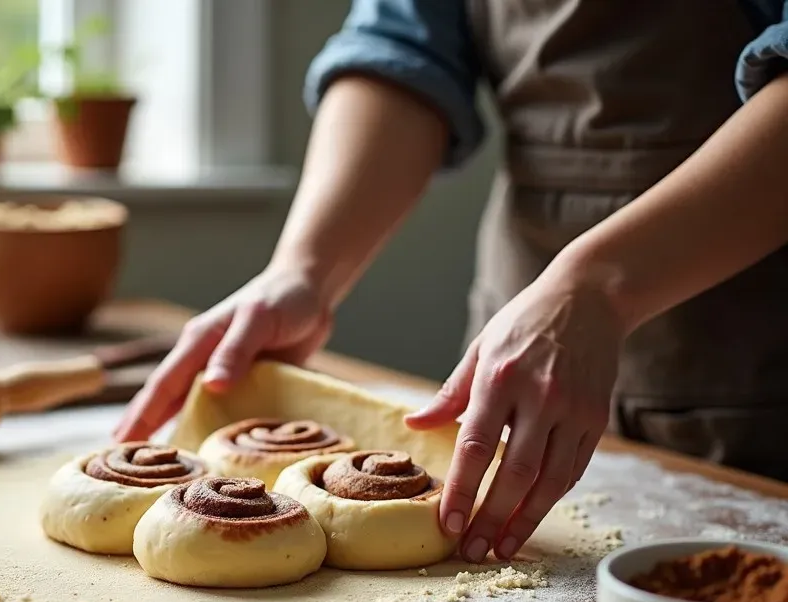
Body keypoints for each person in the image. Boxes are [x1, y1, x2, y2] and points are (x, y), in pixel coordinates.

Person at [116, 1, 788, 564]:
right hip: (515, 335)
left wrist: (601, 285)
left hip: (749, 346)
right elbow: (404, 49)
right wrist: (307, 268)